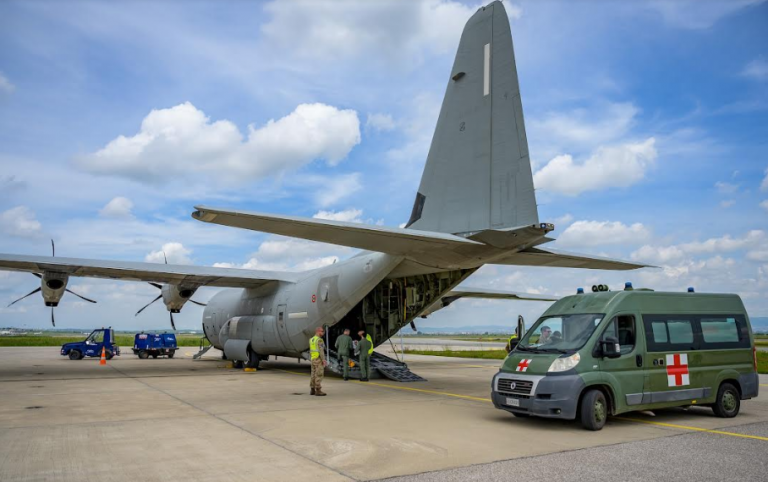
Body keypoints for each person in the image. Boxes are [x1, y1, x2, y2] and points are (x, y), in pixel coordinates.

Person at [309, 327, 328, 396]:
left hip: (313, 358)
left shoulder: (311, 339)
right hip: (318, 359)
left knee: (313, 374)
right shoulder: (319, 340)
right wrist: (323, 360)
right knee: (319, 374)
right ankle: (318, 390)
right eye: (322, 331)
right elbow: (321, 351)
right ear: (318, 331)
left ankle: (312, 389)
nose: (323, 333)